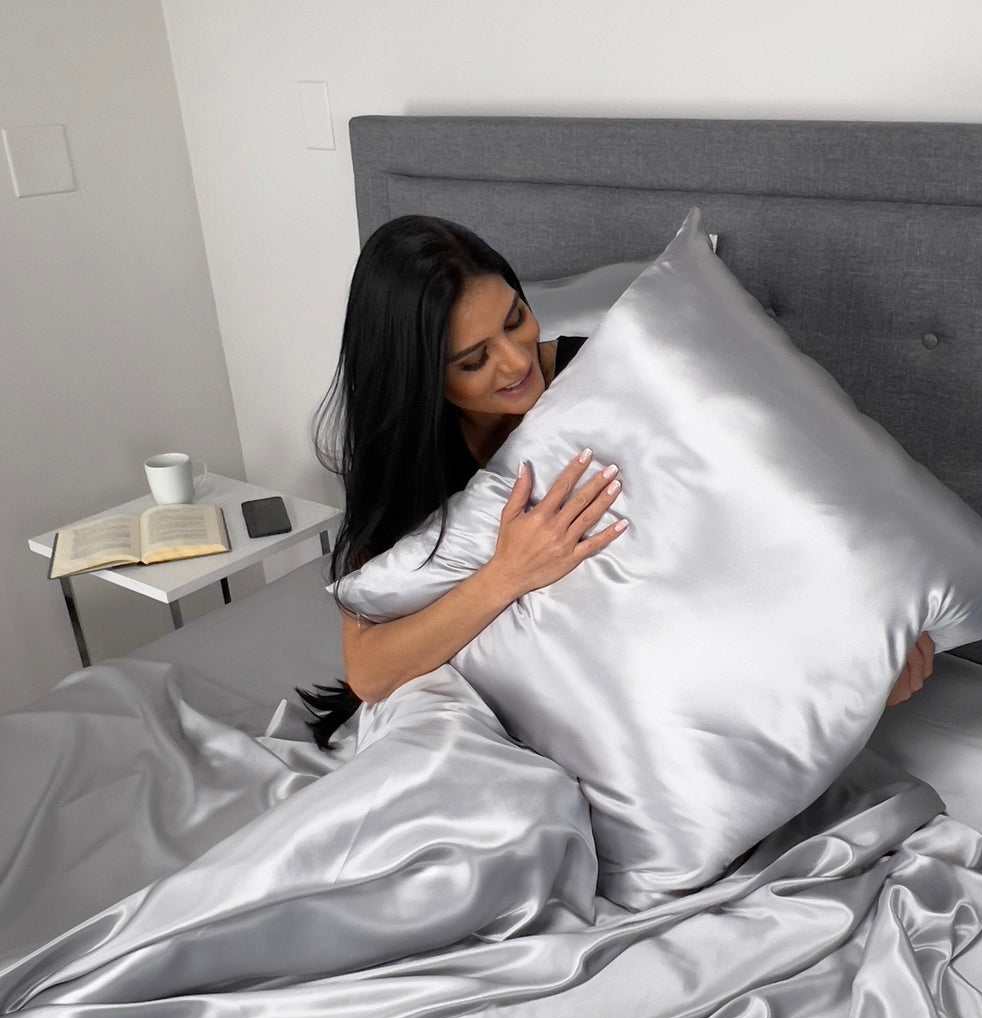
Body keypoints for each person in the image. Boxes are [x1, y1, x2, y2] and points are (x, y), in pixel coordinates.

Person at [301, 215, 932, 747]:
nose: (518, 361)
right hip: (493, 693)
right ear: (418, 376)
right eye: (474, 360)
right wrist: (508, 573)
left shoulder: (603, 374)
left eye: (517, 319)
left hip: (641, 658)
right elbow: (369, 672)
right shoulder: (408, 456)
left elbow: (760, 498)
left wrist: (876, 620)